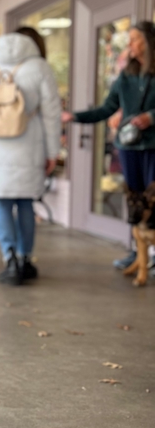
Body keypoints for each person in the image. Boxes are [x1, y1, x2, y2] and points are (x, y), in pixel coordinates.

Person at [0, 31, 61, 285]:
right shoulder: (40, 67)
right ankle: (24, 258)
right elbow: (52, 113)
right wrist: (53, 152)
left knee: (4, 203)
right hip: (30, 146)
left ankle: (9, 259)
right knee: (26, 202)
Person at [63, 21, 155, 268]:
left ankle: (153, 257)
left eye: (135, 39)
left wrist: (151, 117)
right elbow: (107, 108)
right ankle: (137, 253)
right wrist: (75, 117)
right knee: (135, 201)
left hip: (153, 146)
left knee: (153, 199)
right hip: (129, 147)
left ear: (149, 42)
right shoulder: (125, 76)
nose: (130, 44)